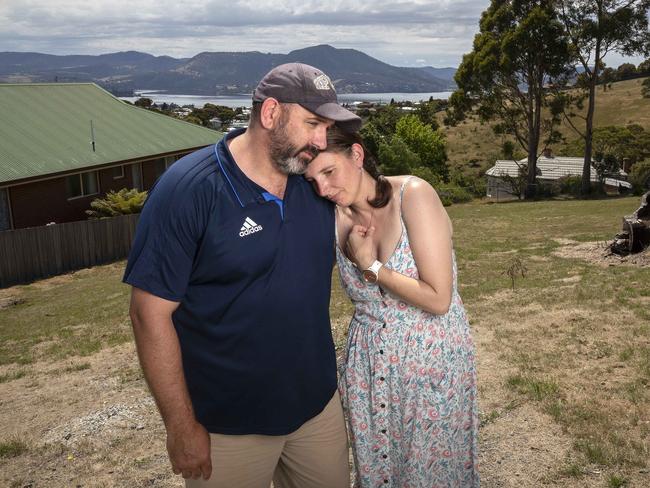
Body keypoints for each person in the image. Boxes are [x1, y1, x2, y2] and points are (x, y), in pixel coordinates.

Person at [123, 63, 361, 488]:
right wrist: (180, 427)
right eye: (312, 124)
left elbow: (375, 195)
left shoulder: (315, 182)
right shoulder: (189, 190)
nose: (321, 141)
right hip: (226, 428)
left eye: (326, 127)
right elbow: (148, 314)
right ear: (270, 113)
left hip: (316, 411)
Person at [304, 127, 479, 487]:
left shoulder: (413, 195)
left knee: (432, 474)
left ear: (356, 155)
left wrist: (372, 268)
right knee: (379, 473)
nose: (323, 189)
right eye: (312, 180)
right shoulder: (331, 217)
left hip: (432, 366)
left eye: (328, 172)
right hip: (368, 369)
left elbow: (439, 298)